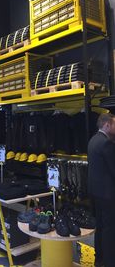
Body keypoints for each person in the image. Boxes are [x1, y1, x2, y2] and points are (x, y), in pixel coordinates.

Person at [87, 113, 115, 267]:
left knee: (101, 226)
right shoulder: (106, 143)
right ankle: (110, 261)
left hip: (96, 192)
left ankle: (99, 259)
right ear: (107, 125)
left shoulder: (93, 140)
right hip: (108, 194)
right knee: (110, 229)